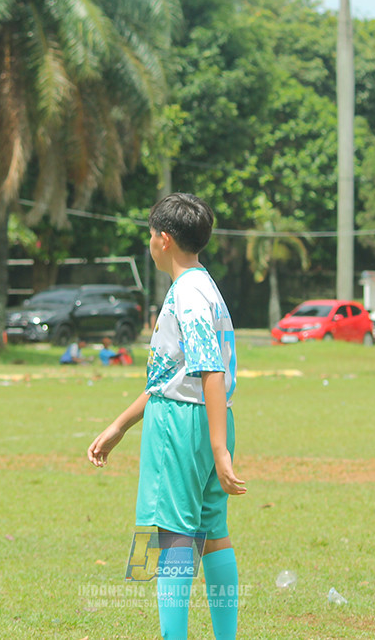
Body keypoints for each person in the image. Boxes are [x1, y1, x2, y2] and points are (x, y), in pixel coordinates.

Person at [87, 193, 245, 639]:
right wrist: (119, 425)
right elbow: (170, 377)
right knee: (212, 531)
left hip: (183, 426)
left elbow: (208, 369)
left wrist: (218, 451)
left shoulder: (188, 293)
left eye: (150, 236)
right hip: (210, 417)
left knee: (171, 534)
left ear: (164, 239)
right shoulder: (204, 285)